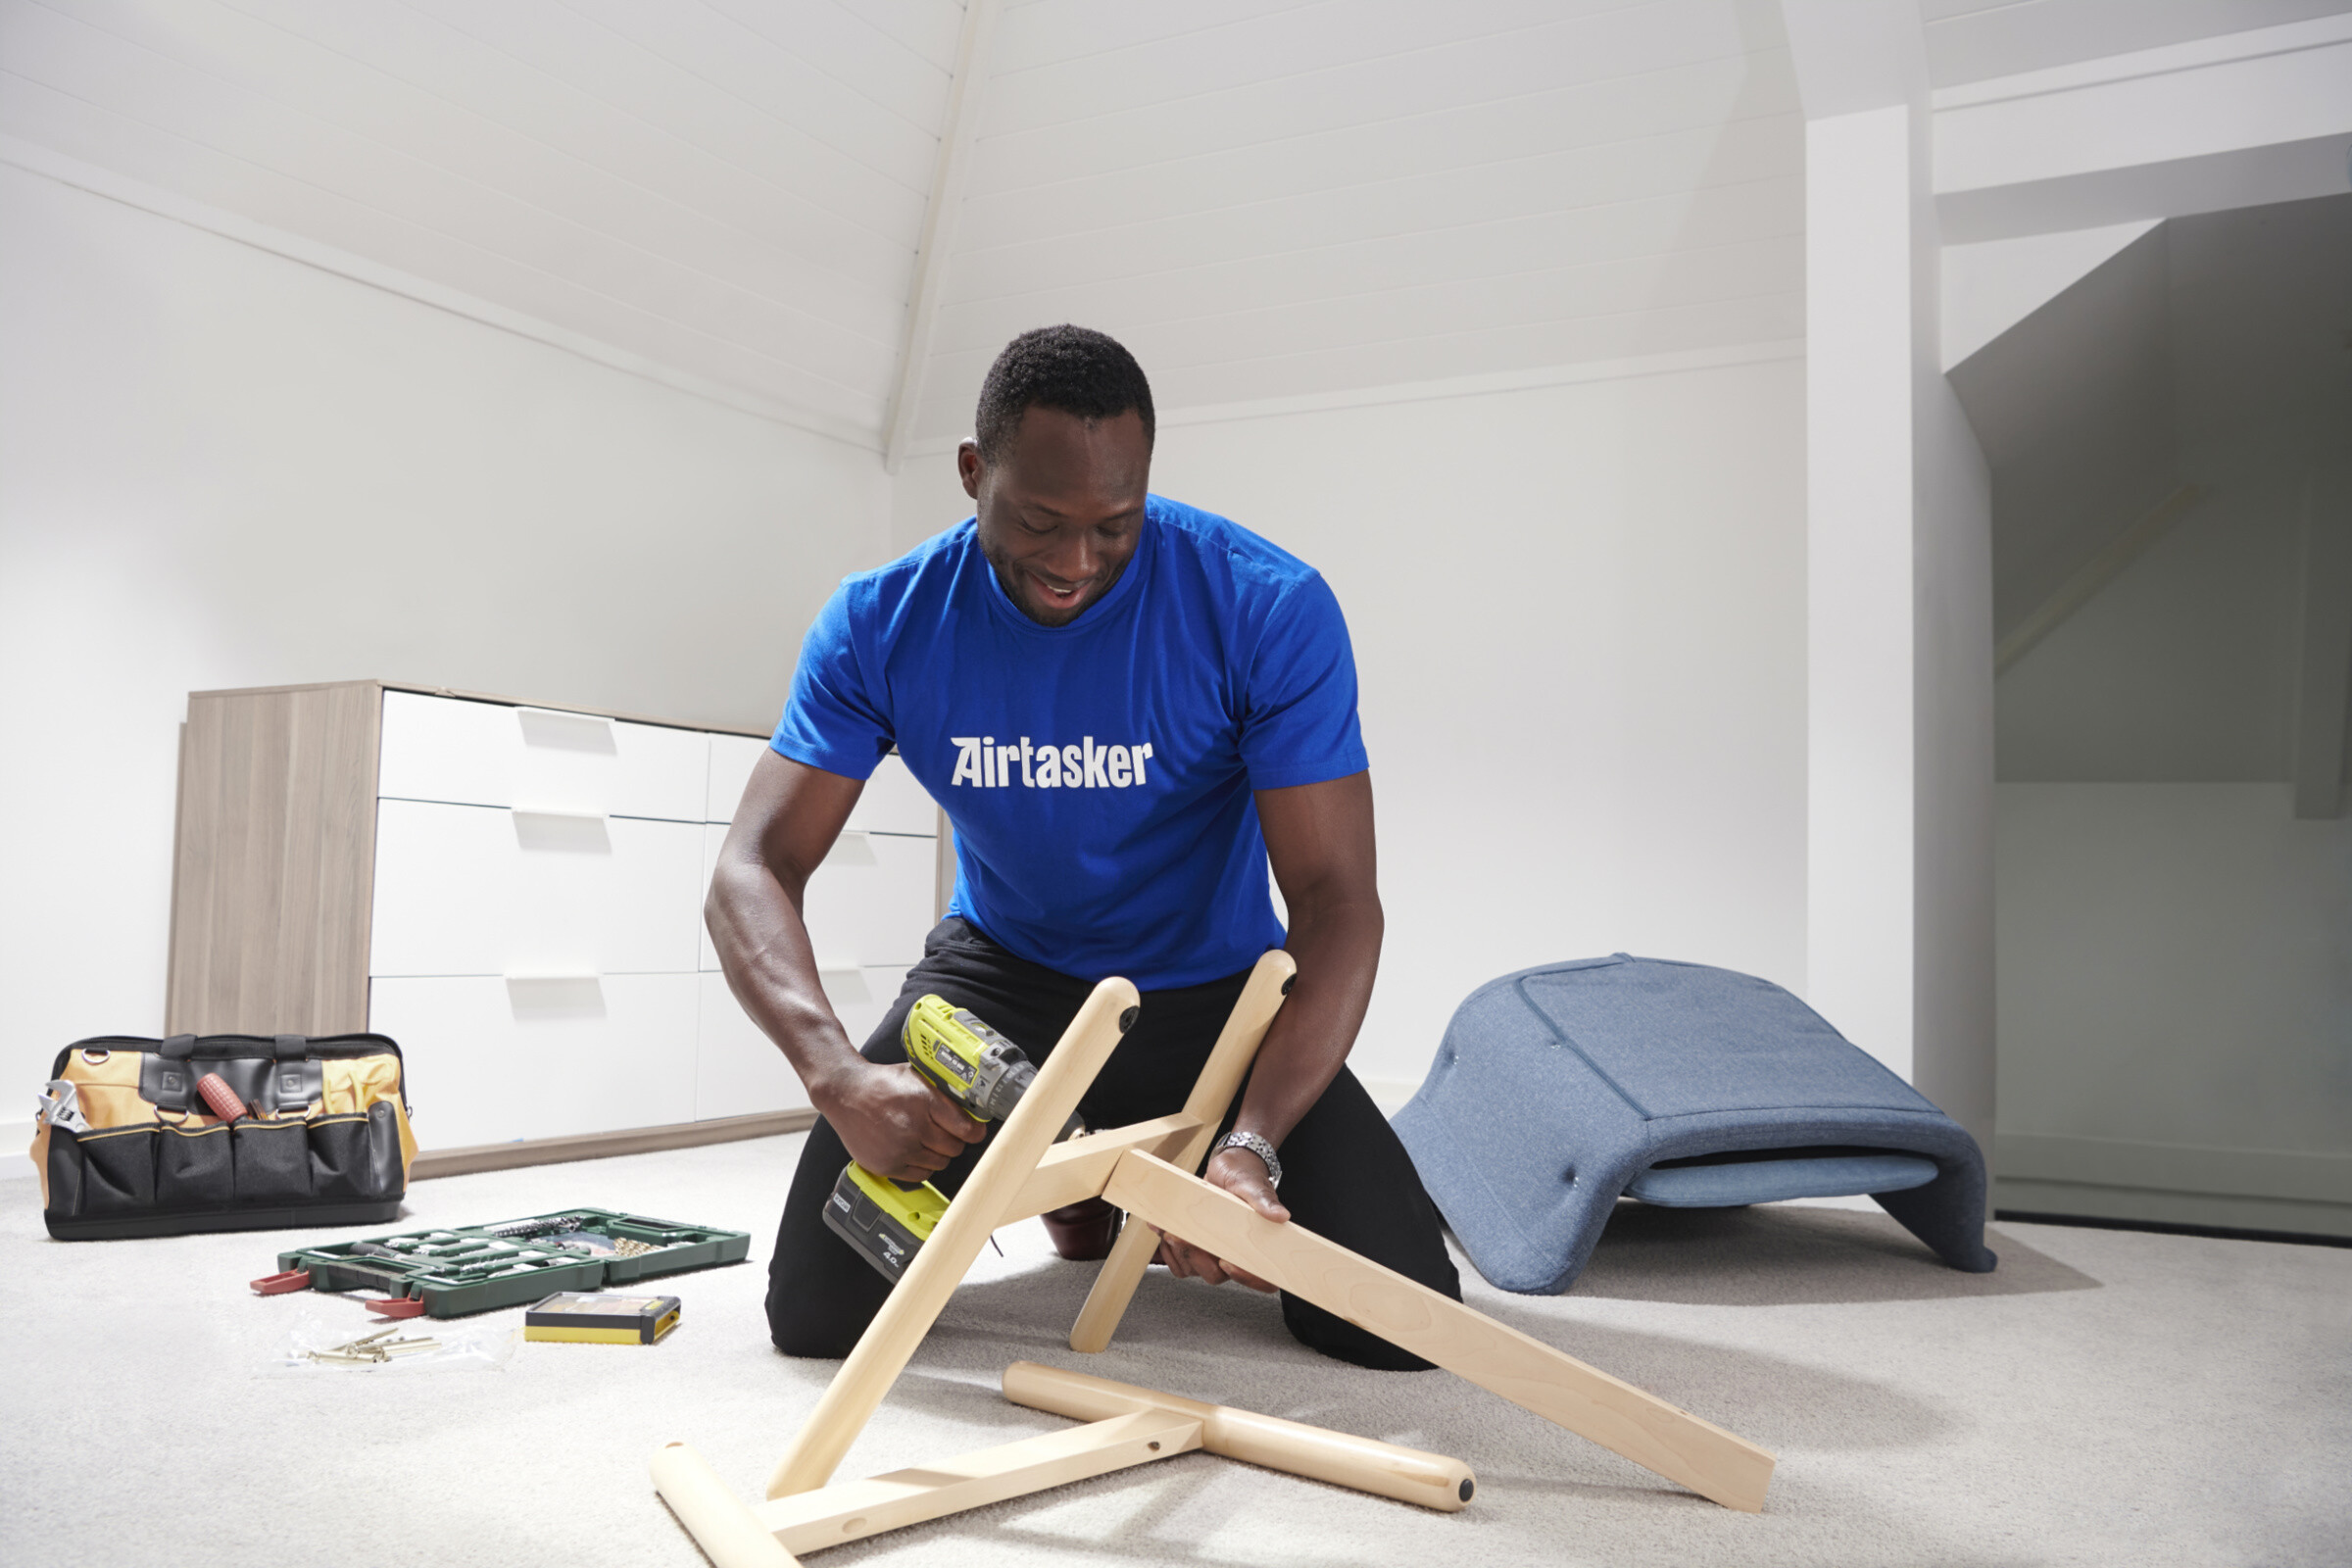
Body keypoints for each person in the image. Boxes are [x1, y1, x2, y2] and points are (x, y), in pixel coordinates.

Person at [707, 324, 1458, 1368]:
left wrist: (1250, 1147)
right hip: (1003, 983)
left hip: (1212, 996)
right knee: (822, 1317)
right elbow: (752, 864)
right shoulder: (882, 621)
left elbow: (1337, 900)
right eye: (1039, 520)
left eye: (1114, 525)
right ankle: (1094, 1192)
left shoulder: (1265, 607)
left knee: (1399, 1323)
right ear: (975, 473)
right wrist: (836, 1074)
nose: (1074, 563)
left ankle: (1122, 1175)